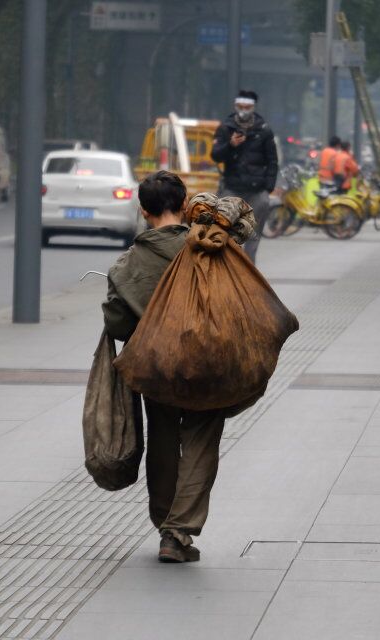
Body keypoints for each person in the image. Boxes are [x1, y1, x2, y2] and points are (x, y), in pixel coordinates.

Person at [102, 170, 228, 564]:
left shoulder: (129, 264)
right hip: (207, 365)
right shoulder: (208, 249)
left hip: (157, 368)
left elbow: (118, 325)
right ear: (184, 204)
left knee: (162, 439)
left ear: (144, 210)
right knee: (201, 440)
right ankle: (179, 530)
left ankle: (165, 528)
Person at [211, 89, 278, 264]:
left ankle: (248, 270)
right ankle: (229, 268)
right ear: (235, 106)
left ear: (253, 107)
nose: (243, 110)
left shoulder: (264, 130)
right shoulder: (225, 128)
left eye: (247, 107)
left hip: (257, 190)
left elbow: (272, 161)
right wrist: (230, 144)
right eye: (240, 107)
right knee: (225, 232)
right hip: (232, 188)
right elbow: (215, 155)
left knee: (253, 236)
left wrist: (268, 187)